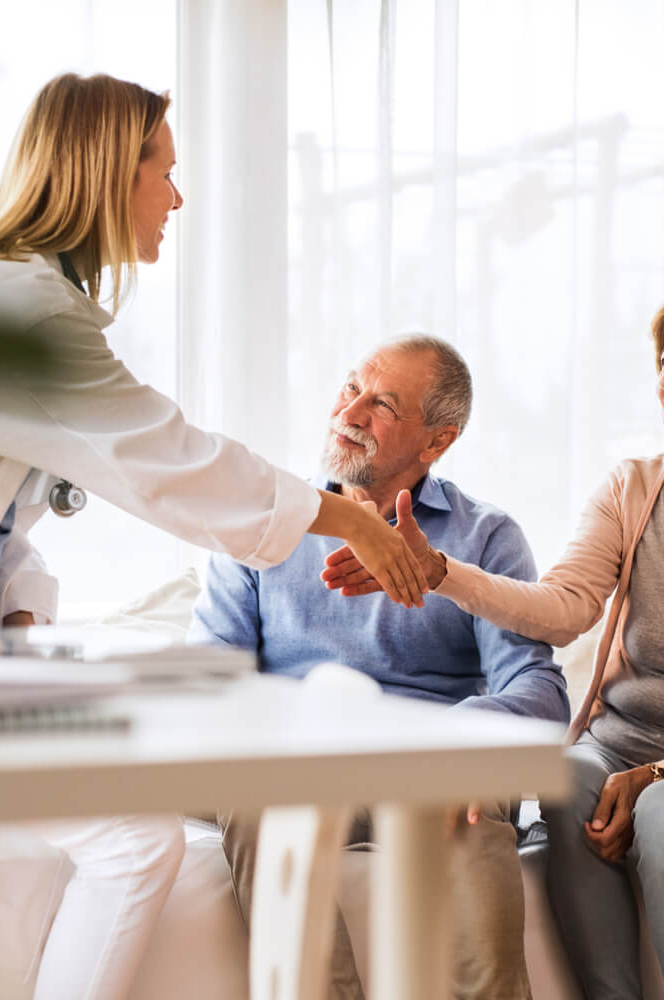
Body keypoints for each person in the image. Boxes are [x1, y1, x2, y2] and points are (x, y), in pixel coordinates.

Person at [0, 73, 425, 1000]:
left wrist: (16, 617)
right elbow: (172, 463)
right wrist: (344, 518)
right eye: (163, 171)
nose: (177, 196)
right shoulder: (14, 312)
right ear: (103, 172)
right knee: (136, 843)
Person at [323, 282, 664, 1000]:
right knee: (568, 777)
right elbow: (564, 608)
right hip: (621, 748)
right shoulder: (632, 488)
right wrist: (440, 571)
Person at [189, 334, 570, 1000]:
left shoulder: (484, 536)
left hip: (428, 768)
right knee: (250, 794)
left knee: (479, 827)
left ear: (436, 441)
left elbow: (537, 688)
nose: (352, 411)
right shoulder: (265, 528)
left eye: (383, 403)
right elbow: (210, 681)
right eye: (350, 387)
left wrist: (460, 744)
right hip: (298, 765)